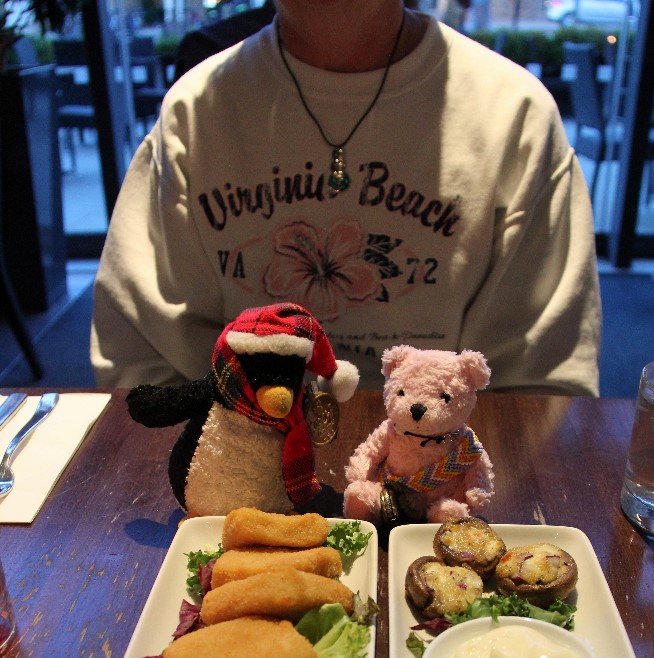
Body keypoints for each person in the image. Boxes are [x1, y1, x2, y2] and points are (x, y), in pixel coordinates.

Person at [91, 0, 601, 395]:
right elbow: (143, 362)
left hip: (438, 468)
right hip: (238, 462)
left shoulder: (516, 117)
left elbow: (539, 386)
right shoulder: (193, 113)